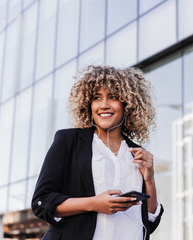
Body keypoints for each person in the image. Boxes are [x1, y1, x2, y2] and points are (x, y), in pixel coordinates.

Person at [32, 65, 164, 240]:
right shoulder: (69, 141)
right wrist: (94, 203)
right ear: (88, 104)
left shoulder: (138, 154)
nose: (104, 105)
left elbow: (149, 221)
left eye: (113, 97)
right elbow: (41, 202)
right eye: (97, 98)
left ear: (128, 104)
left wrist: (149, 179)